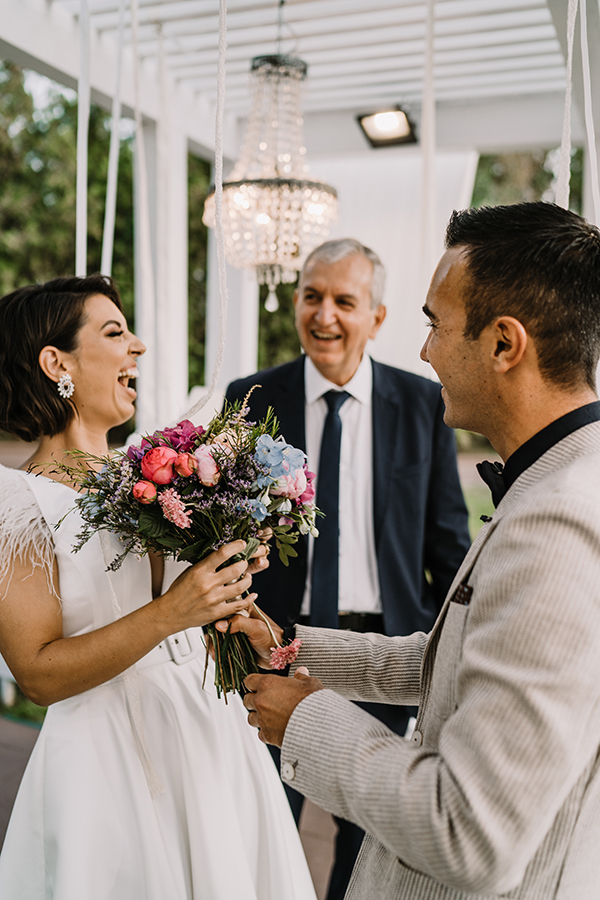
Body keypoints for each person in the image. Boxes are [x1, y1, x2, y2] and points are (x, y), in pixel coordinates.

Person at [229, 202, 600, 899]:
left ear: (504, 344)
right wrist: (292, 646)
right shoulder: (559, 477)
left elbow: (469, 832)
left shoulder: (560, 522)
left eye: (435, 325)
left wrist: (305, 718)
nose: (425, 352)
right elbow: (453, 658)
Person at [0, 274, 317, 900]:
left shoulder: (156, 479)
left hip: (212, 738)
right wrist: (175, 610)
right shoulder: (19, 504)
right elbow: (35, 675)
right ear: (56, 363)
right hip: (109, 760)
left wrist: (230, 591)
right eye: (115, 332)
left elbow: (195, 619)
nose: (138, 346)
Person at [226, 239, 470, 899]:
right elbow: (229, 532)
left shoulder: (424, 402)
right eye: (312, 296)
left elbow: (447, 540)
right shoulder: (251, 397)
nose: (324, 314)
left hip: (387, 650)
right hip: (275, 643)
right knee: (261, 824)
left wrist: (454, 650)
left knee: (368, 841)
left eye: (344, 301)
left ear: (377, 317)